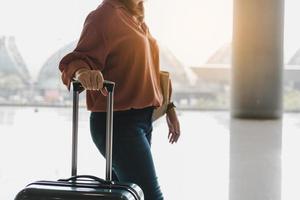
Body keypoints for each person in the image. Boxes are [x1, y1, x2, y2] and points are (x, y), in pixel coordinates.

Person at [58, 0, 181, 199]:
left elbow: (148, 70)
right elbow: (77, 60)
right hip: (118, 124)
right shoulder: (105, 15)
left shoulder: (136, 18)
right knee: (150, 196)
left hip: (142, 121)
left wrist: (169, 106)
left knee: (124, 195)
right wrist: (82, 72)